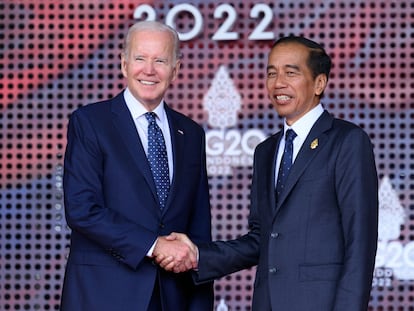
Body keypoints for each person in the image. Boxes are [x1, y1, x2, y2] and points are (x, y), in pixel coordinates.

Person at [157, 36, 379, 311]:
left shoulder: (347, 141)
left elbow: (360, 243)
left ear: (319, 83)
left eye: (291, 72)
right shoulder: (266, 150)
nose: (278, 83)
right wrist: (198, 255)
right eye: (271, 73)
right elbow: (261, 238)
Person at [60, 21, 213, 311]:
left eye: (160, 60)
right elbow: (82, 209)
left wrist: (200, 302)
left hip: (173, 298)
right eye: (140, 58)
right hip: (102, 296)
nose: (149, 70)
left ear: (176, 69)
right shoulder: (90, 123)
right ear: (124, 65)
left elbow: (198, 228)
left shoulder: (191, 133)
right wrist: (154, 245)